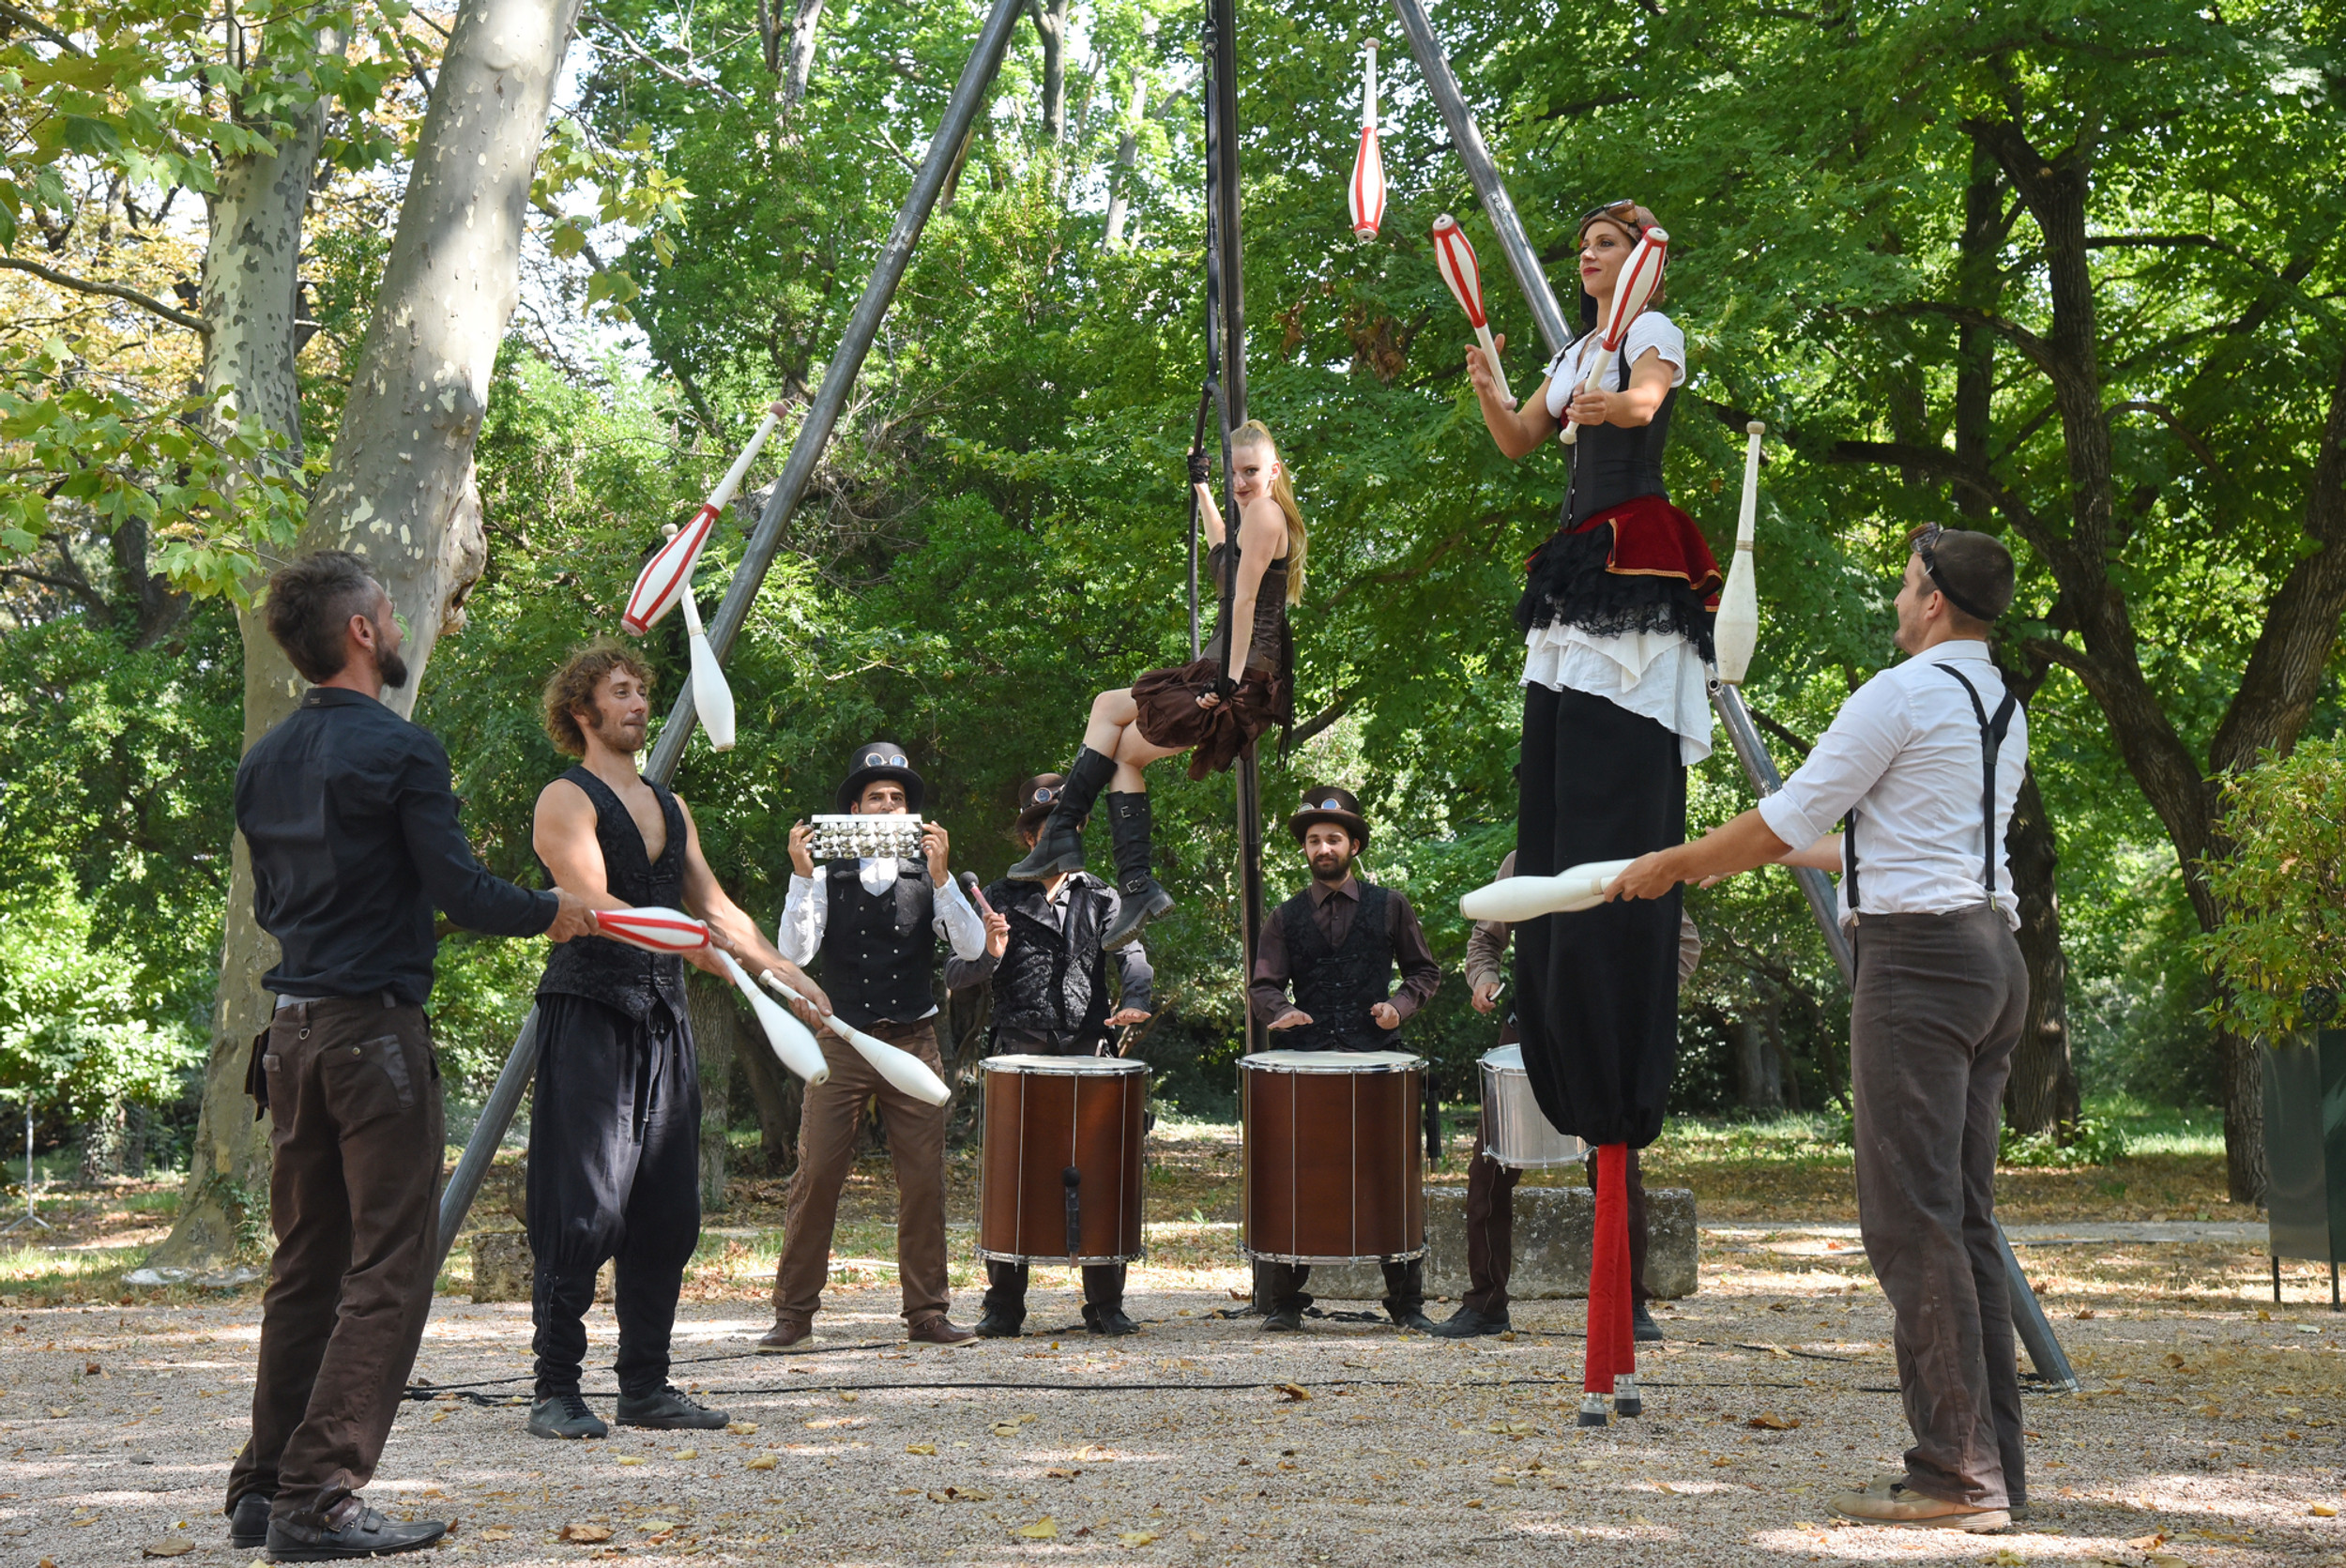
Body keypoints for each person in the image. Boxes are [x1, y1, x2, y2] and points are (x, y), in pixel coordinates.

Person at [1608, 525, 2027, 1532]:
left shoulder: (1900, 692)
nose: (1894, 600)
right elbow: (1872, 842)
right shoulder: (1999, 704)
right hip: (1991, 960)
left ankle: (1953, 1479)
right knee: (1961, 1221)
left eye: (1902, 583)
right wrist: (1742, 854)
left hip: (1918, 971)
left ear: (1932, 601)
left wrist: (1676, 863)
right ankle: (1989, 1471)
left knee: (1910, 1220)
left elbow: (1789, 819)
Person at [227, 551, 597, 1560]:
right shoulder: (400, 749)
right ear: (359, 632)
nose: (396, 631)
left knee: (305, 1269)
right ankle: (319, 1497)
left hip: (291, 1038)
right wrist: (554, 911)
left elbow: (276, 907)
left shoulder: (263, 760)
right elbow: (462, 891)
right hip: (370, 1041)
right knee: (390, 1267)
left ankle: (262, 1490)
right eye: (387, 617)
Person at [1463, 199, 1718, 1417]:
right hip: (1576, 542)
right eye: (1580, 251)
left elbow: (1646, 407)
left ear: (1641, 256)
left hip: (1635, 541)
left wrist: (1596, 396)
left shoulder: (1646, 327)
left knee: (1617, 742)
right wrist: (1497, 382)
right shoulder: (1578, 349)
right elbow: (1523, 439)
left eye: (1604, 247)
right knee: (1556, 738)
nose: (1588, 262)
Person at [524, 640, 831, 1439]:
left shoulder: (672, 804)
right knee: (581, 1207)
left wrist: (780, 970)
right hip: (590, 1014)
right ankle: (555, 1387)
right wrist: (712, 956)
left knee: (666, 1211)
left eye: (640, 691)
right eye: (619, 692)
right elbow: (599, 907)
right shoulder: (566, 799)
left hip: (662, 1018)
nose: (637, 704)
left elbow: (720, 910)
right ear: (581, 712)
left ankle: (645, 1386)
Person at [1008, 419, 1306, 948]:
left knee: (1106, 705)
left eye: (1251, 471)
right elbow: (1222, 555)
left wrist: (1229, 681)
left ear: (1274, 471)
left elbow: (1241, 601)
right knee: (1125, 754)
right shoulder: (1251, 517)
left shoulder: (1265, 512)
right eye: (1235, 473)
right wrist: (1203, 488)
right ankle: (1135, 884)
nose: (1242, 483)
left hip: (1242, 673)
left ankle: (1064, 834)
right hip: (1232, 669)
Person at [759, 741, 989, 1348]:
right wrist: (801, 877)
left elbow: (970, 948)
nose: (888, 805)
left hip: (912, 1040)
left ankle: (927, 1313)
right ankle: (793, 1314)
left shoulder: (927, 872)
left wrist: (943, 879)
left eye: (897, 797)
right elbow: (794, 953)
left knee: (923, 1181)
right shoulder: (826, 871)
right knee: (817, 1174)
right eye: (876, 797)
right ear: (855, 809)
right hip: (839, 1040)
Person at [1436, 850, 1702, 1341]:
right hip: (1527, 1034)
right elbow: (1485, 938)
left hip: (1608, 1037)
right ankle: (1486, 1304)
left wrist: (1644, 1002)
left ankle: (1629, 1304)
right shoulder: (1520, 860)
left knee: (1618, 1172)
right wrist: (1484, 978)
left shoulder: (1634, 856)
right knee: (1489, 1169)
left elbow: (1683, 941)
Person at [946, 773, 1156, 1337]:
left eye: (1060, 829)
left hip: (1088, 1054)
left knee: (1100, 1173)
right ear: (1026, 839)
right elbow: (956, 975)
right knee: (1014, 1176)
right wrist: (991, 951)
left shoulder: (1105, 896)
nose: (1049, 841)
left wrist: (1135, 999)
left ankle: (1105, 1304)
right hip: (1019, 1055)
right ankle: (1004, 1305)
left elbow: (1132, 957)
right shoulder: (996, 896)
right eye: (1039, 831)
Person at [1246, 787, 1442, 1332]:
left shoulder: (1391, 905)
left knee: (1388, 1177)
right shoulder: (1285, 917)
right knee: (1295, 1177)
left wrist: (1397, 1010)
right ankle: (1285, 1303)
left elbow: (1424, 972)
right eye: (1313, 840)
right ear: (1306, 851)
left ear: (1353, 844)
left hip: (1377, 1063)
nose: (1323, 847)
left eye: (1333, 838)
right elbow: (1263, 984)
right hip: (1305, 1068)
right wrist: (1281, 1012)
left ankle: (1407, 1304)